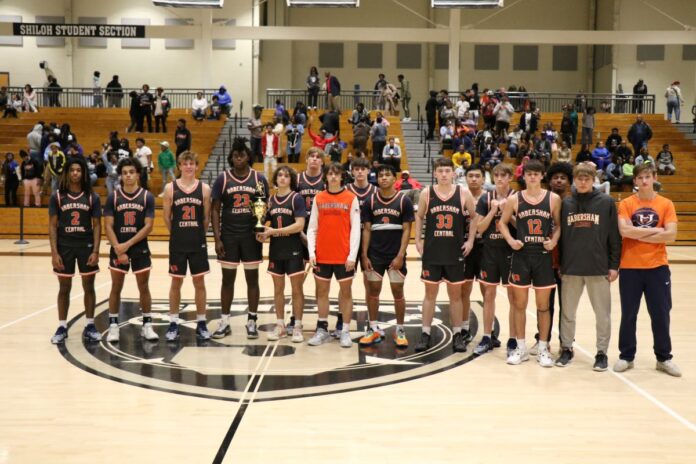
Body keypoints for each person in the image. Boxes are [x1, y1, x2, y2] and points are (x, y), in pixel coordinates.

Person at [615, 163, 680, 377]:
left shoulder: (666, 204)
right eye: (640, 177)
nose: (644, 181)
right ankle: (626, 356)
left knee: (660, 314)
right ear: (634, 180)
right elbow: (624, 231)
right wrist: (657, 232)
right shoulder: (626, 203)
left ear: (654, 178)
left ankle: (664, 358)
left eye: (647, 176)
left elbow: (671, 235)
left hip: (657, 267)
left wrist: (638, 233)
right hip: (630, 267)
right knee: (628, 314)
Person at [555, 163, 621, 370]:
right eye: (579, 179)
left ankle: (601, 353)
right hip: (571, 268)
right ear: (574, 180)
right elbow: (561, 237)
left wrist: (614, 265)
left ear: (594, 180)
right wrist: (561, 263)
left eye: (587, 179)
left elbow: (614, 236)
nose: (583, 182)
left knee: (602, 315)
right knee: (567, 313)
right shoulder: (566, 203)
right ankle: (566, 348)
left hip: (598, 267)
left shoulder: (606, 202)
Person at [498, 159, 561, 367]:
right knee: (519, 305)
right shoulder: (514, 199)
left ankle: (543, 348)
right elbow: (502, 223)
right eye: (529, 174)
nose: (532, 177)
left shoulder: (553, 198)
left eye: (536, 173)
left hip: (543, 256)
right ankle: (521, 348)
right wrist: (510, 240)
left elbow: (559, 225)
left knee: (543, 306)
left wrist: (554, 240)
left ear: (542, 176)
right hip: (521, 256)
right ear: (523, 176)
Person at [414, 157, 476, 352]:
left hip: (454, 252)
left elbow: (474, 217)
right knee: (429, 295)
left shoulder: (463, 192)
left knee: (455, 296)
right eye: (440, 171)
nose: (443, 174)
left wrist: (470, 241)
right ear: (435, 173)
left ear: (453, 173)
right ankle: (425, 333)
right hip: (432, 251)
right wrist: (418, 240)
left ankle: (457, 334)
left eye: (447, 171)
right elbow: (419, 216)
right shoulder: (427, 193)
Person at [211, 138, 269, 340]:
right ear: (231, 158)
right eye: (235, 155)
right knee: (227, 280)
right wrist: (217, 238)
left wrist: (261, 226)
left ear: (248, 157)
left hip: (250, 237)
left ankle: (252, 320)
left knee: (252, 280)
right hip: (229, 236)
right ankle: (225, 321)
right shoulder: (223, 179)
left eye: (242, 155)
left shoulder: (258, 179)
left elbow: (263, 204)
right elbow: (215, 209)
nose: (238, 158)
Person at [103, 158, 158, 343]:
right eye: (125, 173)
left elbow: (148, 226)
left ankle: (147, 325)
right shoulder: (113, 197)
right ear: (121, 175)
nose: (128, 176)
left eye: (131, 172)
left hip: (139, 248)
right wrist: (118, 249)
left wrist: (126, 246)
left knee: (144, 287)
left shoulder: (147, 197)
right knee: (116, 287)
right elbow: (108, 226)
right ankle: (113, 326)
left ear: (138, 174)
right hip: (118, 247)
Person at [359, 164, 414, 347]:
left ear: (394, 178)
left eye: (387, 175)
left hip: (395, 255)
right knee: (373, 291)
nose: (383, 178)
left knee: (398, 291)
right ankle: (373, 328)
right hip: (375, 254)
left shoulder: (403, 201)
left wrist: (400, 255)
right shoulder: (370, 201)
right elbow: (367, 229)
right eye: (381, 175)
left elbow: (407, 230)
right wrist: (364, 255)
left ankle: (400, 330)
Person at [48, 158, 102, 344]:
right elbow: (52, 226)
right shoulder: (57, 197)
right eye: (72, 170)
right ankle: (62, 326)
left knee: (89, 287)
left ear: (83, 173)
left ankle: (90, 325)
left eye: (79, 170)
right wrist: (54, 253)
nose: (75, 173)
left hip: (86, 246)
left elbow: (97, 225)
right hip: (65, 247)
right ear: (67, 173)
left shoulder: (92, 197)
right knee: (64, 288)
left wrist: (96, 251)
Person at [307, 163, 360, 348]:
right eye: (330, 173)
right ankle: (322, 329)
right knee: (322, 292)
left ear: (342, 177)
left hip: (344, 255)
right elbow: (312, 228)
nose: (333, 177)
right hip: (322, 255)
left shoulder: (351, 198)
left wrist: (352, 255)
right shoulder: (319, 197)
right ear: (326, 176)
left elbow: (356, 230)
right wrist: (311, 252)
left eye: (337, 174)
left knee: (346, 293)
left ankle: (344, 330)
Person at [162, 151, 212, 341]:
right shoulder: (170, 188)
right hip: (178, 243)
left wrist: (197, 233)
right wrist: (177, 233)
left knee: (199, 282)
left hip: (197, 242)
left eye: (192, 163)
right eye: (185, 163)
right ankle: (173, 322)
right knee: (176, 282)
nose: (189, 166)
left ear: (197, 166)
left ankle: (201, 322)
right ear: (180, 166)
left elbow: (206, 218)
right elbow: (166, 217)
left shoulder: (204, 189)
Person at [257, 165, 306, 342]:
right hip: (276, 250)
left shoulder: (296, 198)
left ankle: (297, 326)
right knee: (278, 290)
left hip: (294, 249)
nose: (283, 178)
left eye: (286, 175)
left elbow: (299, 225)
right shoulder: (270, 200)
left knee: (296, 290)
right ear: (276, 179)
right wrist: (262, 233)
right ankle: (280, 326)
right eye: (280, 175)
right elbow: (265, 222)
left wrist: (273, 232)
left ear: (291, 179)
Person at [472, 163, 516, 355]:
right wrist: (492, 211)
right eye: (496, 175)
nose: (499, 179)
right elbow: (480, 228)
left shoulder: (517, 197)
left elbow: (522, 227)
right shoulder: (486, 198)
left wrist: (508, 213)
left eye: (503, 175)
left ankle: (513, 340)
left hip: (510, 252)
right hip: (489, 251)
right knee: (489, 294)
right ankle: (486, 337)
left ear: (510, 178)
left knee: (513, 297)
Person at [460, 165, 486, 349]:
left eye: (478, 176)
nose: (474, 179)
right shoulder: (460, 196)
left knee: (487, 291)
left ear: (483, 178)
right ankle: (464, 328)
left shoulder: (489, 197)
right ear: (466, 178)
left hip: (485, 247)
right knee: (464, 290)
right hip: (465, 247)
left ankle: (488, 332)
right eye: (471, 176)